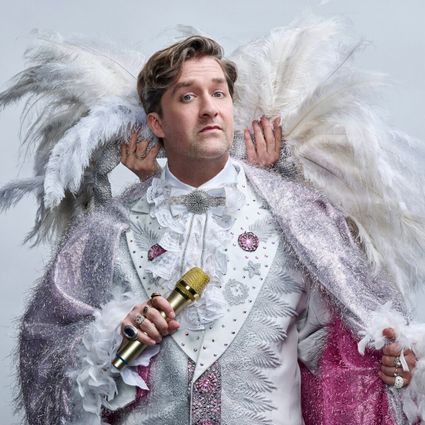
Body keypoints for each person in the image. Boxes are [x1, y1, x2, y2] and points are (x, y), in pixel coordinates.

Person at [16, 35, 422, 425]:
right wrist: (112, 335)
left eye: (219, 93)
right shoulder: (106, 233)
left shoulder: (300, 218)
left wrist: (387, 364)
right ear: (157, 123)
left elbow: (335, 351)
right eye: (188, 97)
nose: (209, 108)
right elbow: (46, 355)